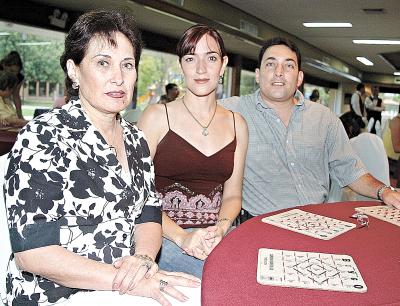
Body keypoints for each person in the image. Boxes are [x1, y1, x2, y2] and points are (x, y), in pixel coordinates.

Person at [4, 10, 199, 306]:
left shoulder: (135, 140)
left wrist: (144, 259)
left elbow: (148, 214)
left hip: (124, 286)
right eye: (103, 63)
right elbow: (34, 253)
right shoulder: (43, 137)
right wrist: (130, 283)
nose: (118, 78)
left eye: (127, 65)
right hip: (56, 295)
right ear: (74, 70)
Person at [220, 36, 400, 221]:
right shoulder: (232, 111)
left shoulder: (324, 118)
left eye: (288, 65)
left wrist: (384, 191)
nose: (279, 72)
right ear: (258, 74)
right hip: (260, 226)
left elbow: (350, 169)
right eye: (270, 64)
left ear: (299, 77)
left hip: (318, 223)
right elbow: (192, 110)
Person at [138, 24, 248, 278]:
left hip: (216, 236)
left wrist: (220, 228)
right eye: (191, 58)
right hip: (164, 235)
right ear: (181, 65)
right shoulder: (157, 117)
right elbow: (137, 194)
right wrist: (182, 236)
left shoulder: (237, 124)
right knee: (221, 279)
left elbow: (232, 196)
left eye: (210, 58)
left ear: (223, 65)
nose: (201, 69)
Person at [0, 51, 25, 119]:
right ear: (4, 65)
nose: (14, 74)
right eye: (11, 71)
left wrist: (20, 116)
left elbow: (16, 96)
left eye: (17, 72)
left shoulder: (19, 78)